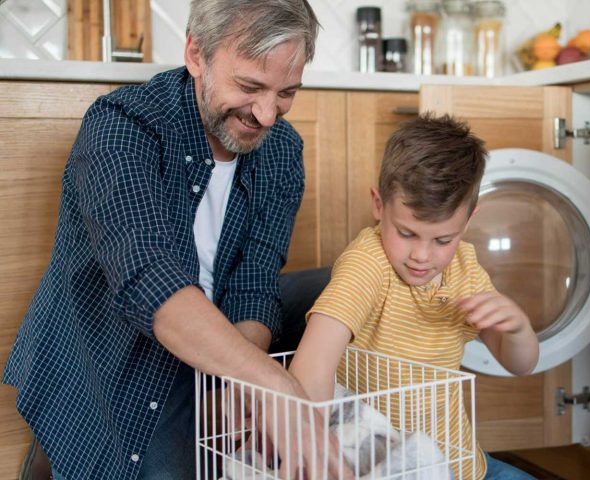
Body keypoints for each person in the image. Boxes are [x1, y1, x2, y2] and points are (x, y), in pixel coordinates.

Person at [2, 1, 346, 479]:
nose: (267, 115)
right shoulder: (122, 126)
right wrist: (276, 388)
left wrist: (237, 387)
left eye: (286, 92)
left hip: (212, 335)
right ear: (196, 54)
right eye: (249, 86)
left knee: (346, 284)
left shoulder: (282, 148)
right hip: (112, 348)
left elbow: (254, 280)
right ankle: (55, 458)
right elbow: (150, 281)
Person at [289, 113, 541, 480]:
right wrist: (317, 451)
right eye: (407, 233)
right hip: (383, 469)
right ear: (379, 204)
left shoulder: (465, 268)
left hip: (461, 465)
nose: (423, 256)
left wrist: (518, 329)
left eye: (443, 240)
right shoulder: (367, 264)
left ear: (469, 219)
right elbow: (312, 364)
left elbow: (520, 364)